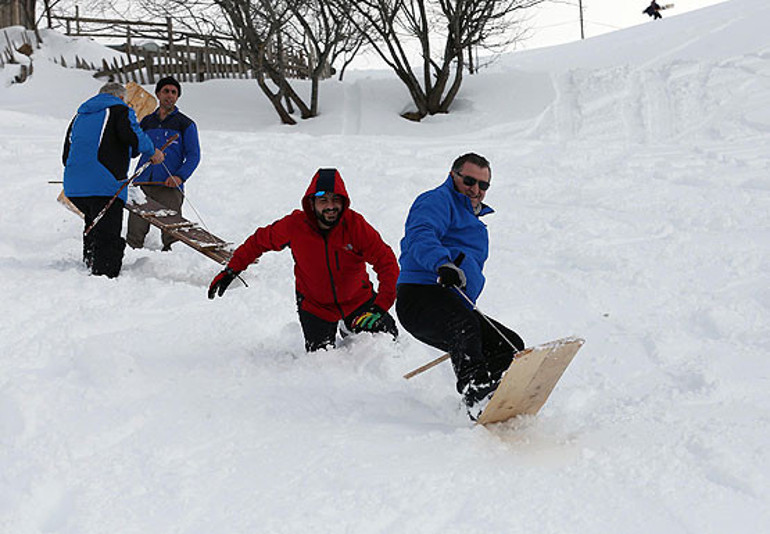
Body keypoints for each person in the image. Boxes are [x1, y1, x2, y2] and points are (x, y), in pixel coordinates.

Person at [208, 168, 400, 352]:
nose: (330, 206)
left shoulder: (355, 226)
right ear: (312, 203)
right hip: (316, 306)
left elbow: (387, 263)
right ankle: (339, 328)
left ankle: (349, 326)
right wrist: (232, 269)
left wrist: (380, 306)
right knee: (322, 359)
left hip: (357, 300)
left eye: (335, 200)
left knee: (390, 341)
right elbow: (259, 242)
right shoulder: (295, 226)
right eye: (323, 200)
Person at [395, 153, 525, 420]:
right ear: (453, 175)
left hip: (451, 300)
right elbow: (421, 234)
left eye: (483, 185)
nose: (476, 190)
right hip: (420, 295)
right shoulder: (436, 201)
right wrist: (442, 264)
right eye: (469, 181)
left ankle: (504, 401)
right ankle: (477, 396)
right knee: (463, 326)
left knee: (509, 345)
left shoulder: (476, 225)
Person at [62, 82, 165, 278]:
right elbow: (133, 136)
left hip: (74, 187)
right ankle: (105, 274)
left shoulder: (80, 115)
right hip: (104, 184)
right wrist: (153, 152)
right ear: (120, 98)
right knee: (108, 231)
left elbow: (66, 154)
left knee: (93, 223)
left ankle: (90, 262)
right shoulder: (119, 109)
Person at [127, 76, 201, 251]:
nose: (169, 95)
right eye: (166, 91)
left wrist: (180, 176)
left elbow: (193, 156)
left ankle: (170, 267)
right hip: (142, 185)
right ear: (158, 94)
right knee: (134, 233)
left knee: (172, 236)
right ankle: (129, 267)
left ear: (177, 97)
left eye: (174, 92)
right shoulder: (146, 122)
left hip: (169, 186)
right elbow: (135, 150)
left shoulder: (186, 124)